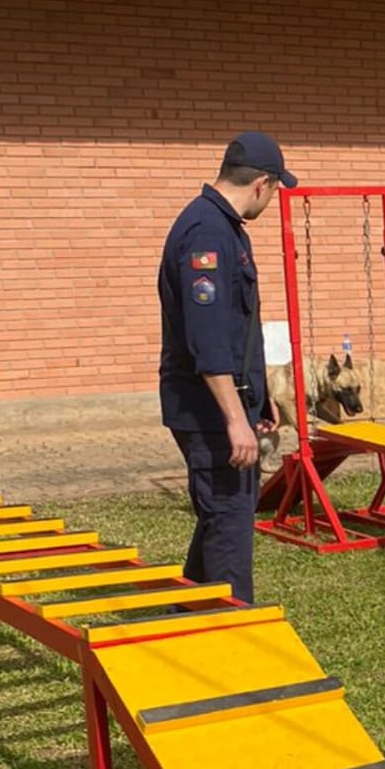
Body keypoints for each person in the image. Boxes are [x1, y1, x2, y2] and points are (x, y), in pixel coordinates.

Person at [157, 131, 296, 603]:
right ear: (261, 183)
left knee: (222, 514)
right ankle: (236, 641)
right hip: (210, 413)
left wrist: (258, 398)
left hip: (226, 404)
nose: (272, 200)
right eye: (276, 190)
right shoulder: (207, 234)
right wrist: (236, 418)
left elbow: (237, 331)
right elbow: (208, 340)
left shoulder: (221, 225)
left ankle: (187, 615)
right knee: (230, 525)